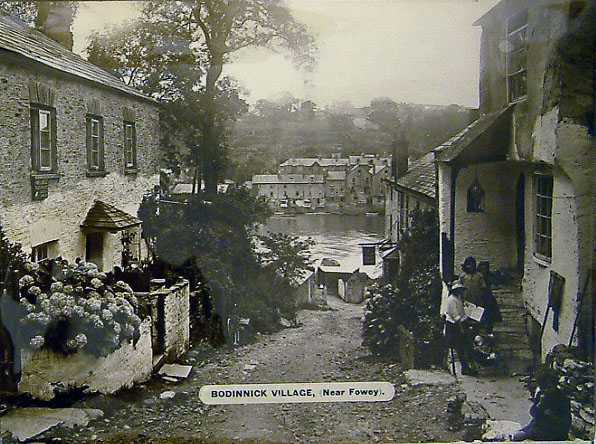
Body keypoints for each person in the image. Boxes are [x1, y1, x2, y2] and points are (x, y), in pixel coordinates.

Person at [513, 367, 571, 441]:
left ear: (555, 384)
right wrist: (539, 405)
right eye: (543, 387)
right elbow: (533, 413)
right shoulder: (542, 394)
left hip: (554, 431)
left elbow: (564, 423)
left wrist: (550, 414)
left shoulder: (562, 398)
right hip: (538, 425)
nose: (546, 390)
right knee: (517, 437)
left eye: (549, 387)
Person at [443, 282, 477, 376]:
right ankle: (464, 367)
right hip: (454, 326)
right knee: (460, 347)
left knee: (465, 346)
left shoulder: (458, 298)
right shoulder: (452, 300)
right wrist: (462, 329)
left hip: (460, 324)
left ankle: (467, 366)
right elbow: (456, 317)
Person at [477, 261, 502, 334]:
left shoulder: (489, 277)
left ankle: (488, 331)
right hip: (477, 297)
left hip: (487, 297)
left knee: (489, 315)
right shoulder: (477, 276)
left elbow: (496, 282)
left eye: (484, 270)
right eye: (481, 270)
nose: (483, 272)